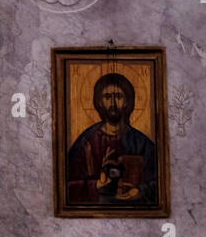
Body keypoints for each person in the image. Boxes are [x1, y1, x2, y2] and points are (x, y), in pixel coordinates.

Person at [66, 72, 157, 206]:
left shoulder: (141, 143)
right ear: (99, 102)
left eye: (119, 96)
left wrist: (140, 192)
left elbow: (160, 182)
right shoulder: (86, 142)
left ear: (127, 101)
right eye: (107, 97)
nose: (113, 103)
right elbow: (65, 186)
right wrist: (96, 185)